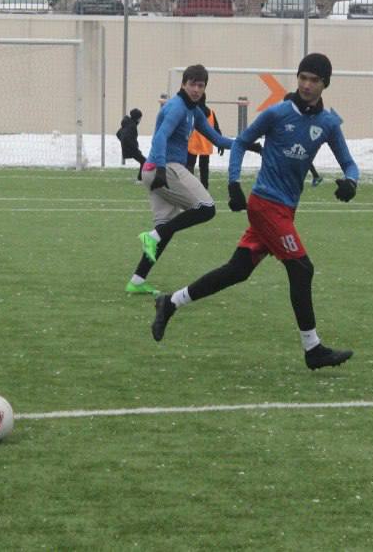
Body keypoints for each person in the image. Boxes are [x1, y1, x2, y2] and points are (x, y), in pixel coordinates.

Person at [150, 53, 359, 372]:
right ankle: (312, 348)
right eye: (302, 77)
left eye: (314, 80)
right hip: (265, 204)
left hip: (285, 210)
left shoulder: (328, 123)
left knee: (238, 270)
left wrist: (351, 182)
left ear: (324, 84)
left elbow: (349, 162)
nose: (306, 84)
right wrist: (234, 183)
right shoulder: (276, 114)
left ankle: (171, 302)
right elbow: (243, 140)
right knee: (302, 269)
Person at [127, 65, 252, 297]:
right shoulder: (176, 107)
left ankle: (137, 280)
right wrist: (163, 169)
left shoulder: (193, 111)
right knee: (207, 208)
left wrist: (245, 144)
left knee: (165, 229)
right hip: (164, 168)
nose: (196, 89)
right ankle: (151, 236)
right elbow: (161, 137)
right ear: (183, 84)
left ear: (205, 87)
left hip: (153, 170)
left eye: (200, 85)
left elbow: (216, 138)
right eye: (192, 84)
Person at [184, 99, 218, 189]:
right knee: (204, 168)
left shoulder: (192, 111)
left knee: (189, 166)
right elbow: (216, 129)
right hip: (206, 145)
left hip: (193, 144)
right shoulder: (211, 112)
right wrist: (219, 143)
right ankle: (204, 188)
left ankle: (189, 187)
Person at [115, 108, 145, 181]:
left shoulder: (127, 124)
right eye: (140, 118)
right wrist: (134, 147)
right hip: (131, 148)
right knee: (144, 162)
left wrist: (124, 143)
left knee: (143, 161)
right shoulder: (132, 126)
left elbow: (118, 134)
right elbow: (126, 138)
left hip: (129, 148)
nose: (140, 120)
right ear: (137, 118)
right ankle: (140, 179)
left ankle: (140, 178)